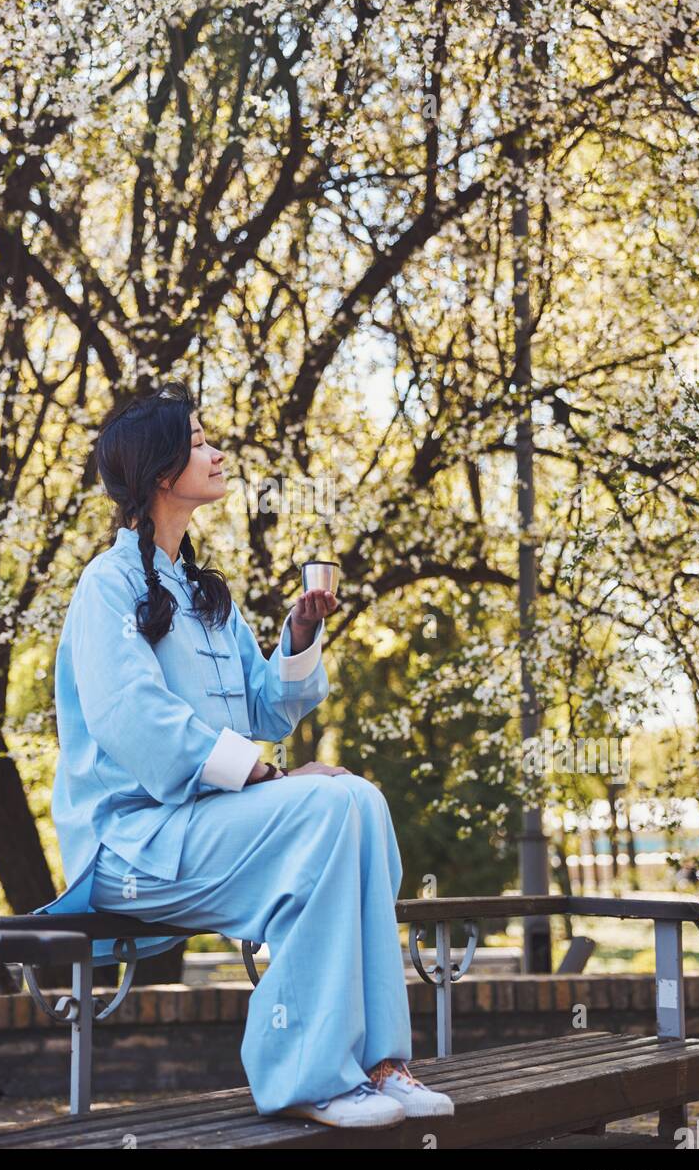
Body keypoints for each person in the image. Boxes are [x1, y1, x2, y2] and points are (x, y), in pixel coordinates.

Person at [32, 379, 454, 1127]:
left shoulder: (203, 593)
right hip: (135, 846)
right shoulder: (106, 586)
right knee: (326, 805)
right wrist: (268, 775)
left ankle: (379, 1062)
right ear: (162, 473)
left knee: (358, 797)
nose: (217, 451)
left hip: (208, 829)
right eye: (198, 442)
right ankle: (307, 1077)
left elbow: (269, 708)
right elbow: (135, 718)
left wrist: (297, 634)